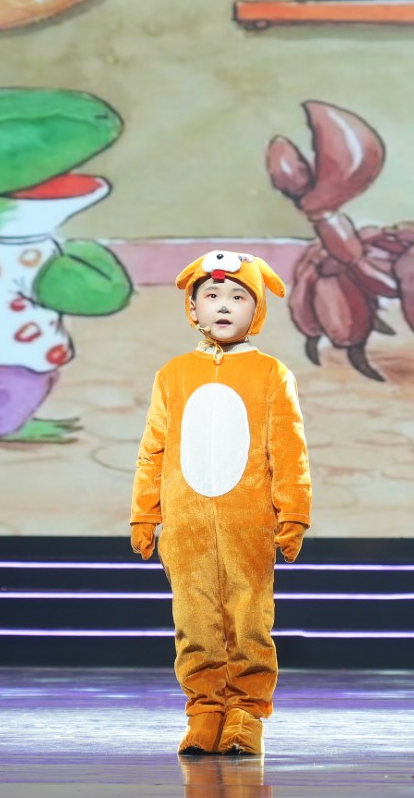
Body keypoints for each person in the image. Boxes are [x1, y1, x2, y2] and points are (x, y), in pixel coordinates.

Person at [130, 250, 313, 755]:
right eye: (212, 295)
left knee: (250, 618)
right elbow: (153, 449)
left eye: (238, 296)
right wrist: (144, 513)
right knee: (193, 620)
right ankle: (205, 710)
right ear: (193, 308)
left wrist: (294, 512)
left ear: (257, 310)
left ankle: (245, 714)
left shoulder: (271, 374)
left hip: (248, 521)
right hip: (186, 524)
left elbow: (288, 448)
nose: (225, 305)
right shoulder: (173, 374)